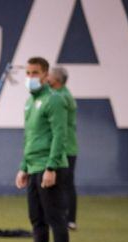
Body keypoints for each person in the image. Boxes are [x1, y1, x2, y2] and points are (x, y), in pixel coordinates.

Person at [14, 56, 70, 242]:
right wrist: (23, 167)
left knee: (55, 218)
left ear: (46, 75)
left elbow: (60, 135)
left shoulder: (54, 100)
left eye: (35, 73)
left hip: (48, 167)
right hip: (33, 166)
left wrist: (51, 167)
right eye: (27, 73)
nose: (30, 78)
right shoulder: (30, 102)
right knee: (36, 219)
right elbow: (29, 137)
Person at [48, 65, 79, 230]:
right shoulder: (62, 94)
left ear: (57, 80)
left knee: (65, 185)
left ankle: (68, 219)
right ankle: (67, 219)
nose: (47, 79)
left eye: (50, 76)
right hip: (67, 147)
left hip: (66, 148)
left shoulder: (62, 97)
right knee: (66, 185)